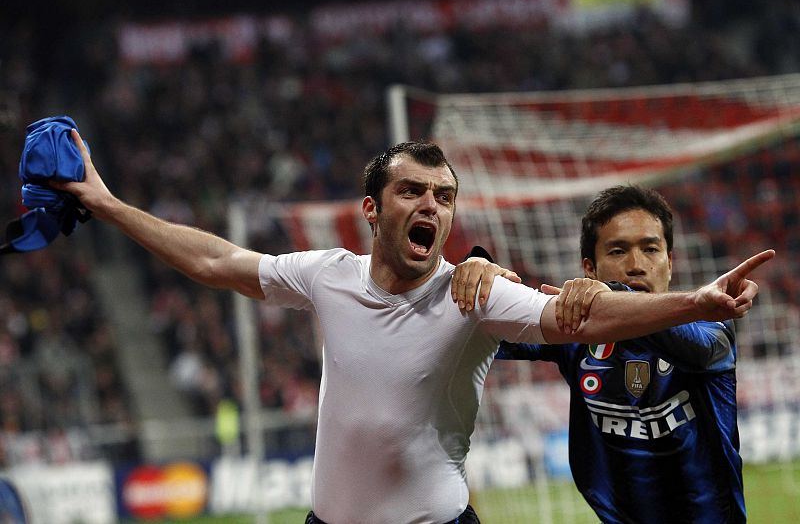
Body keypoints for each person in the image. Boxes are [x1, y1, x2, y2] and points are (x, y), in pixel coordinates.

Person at [53, 131, 771, 524]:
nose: (432, 204)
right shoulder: (326, 273)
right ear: (374, 209)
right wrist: (108, 205)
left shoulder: (474, 300)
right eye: (413, 191)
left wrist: (698, 302)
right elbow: (216, 260)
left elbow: (568, 315)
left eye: (445, 196)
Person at [454, 185, 754, 523]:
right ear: (589, 269)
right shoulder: (573, 332)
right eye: (617, 251)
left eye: (651, 249)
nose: (636, 265)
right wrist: (479, 266)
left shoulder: (710, 326)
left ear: (669, 263)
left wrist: (612, 294)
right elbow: (478, 327)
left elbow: (692, 343)